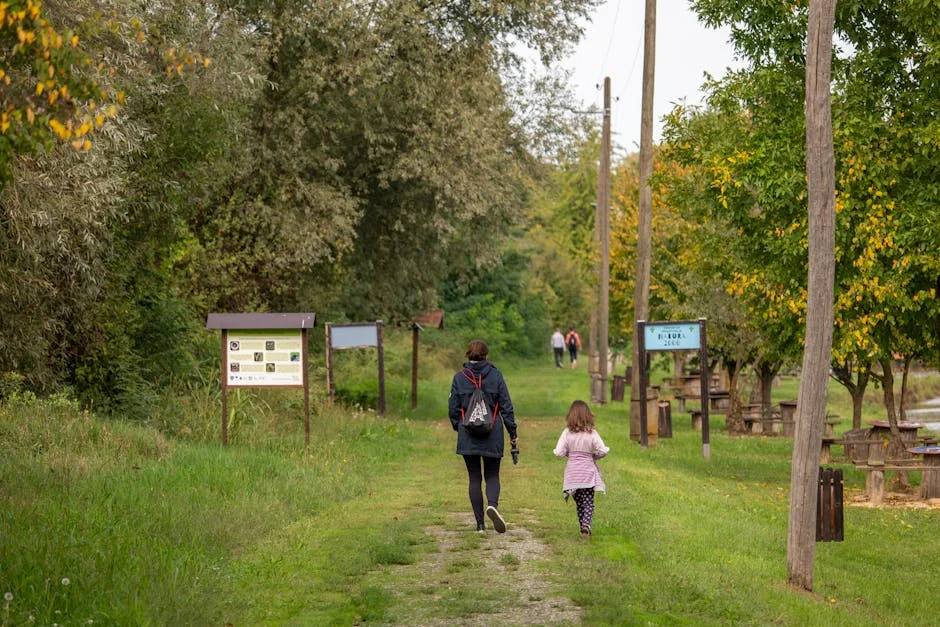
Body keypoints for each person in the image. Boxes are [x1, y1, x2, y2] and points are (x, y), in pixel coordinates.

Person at [449, 340, 518, 534]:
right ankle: (493, 506)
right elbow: (506, 407)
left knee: (474, 478)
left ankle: (480, 525)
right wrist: (513, 433)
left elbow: (453, 409)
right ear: (486, 356)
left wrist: (459, 427)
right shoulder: (495, 375)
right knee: (492, 474)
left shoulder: (459, 377)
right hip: (492, 432)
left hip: (467, 433)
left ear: (467, 356)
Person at [553, 400, 609, 538]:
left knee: (579, 503)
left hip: (573, 474)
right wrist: (594, 457)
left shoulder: (567, 433)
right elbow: (603, 450)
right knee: (588, 501)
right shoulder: (592, 433)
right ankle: (586, 525)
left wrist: (569, 454)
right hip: (587, 473)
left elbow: (559, 452)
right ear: (588, 416)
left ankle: (582, 527)